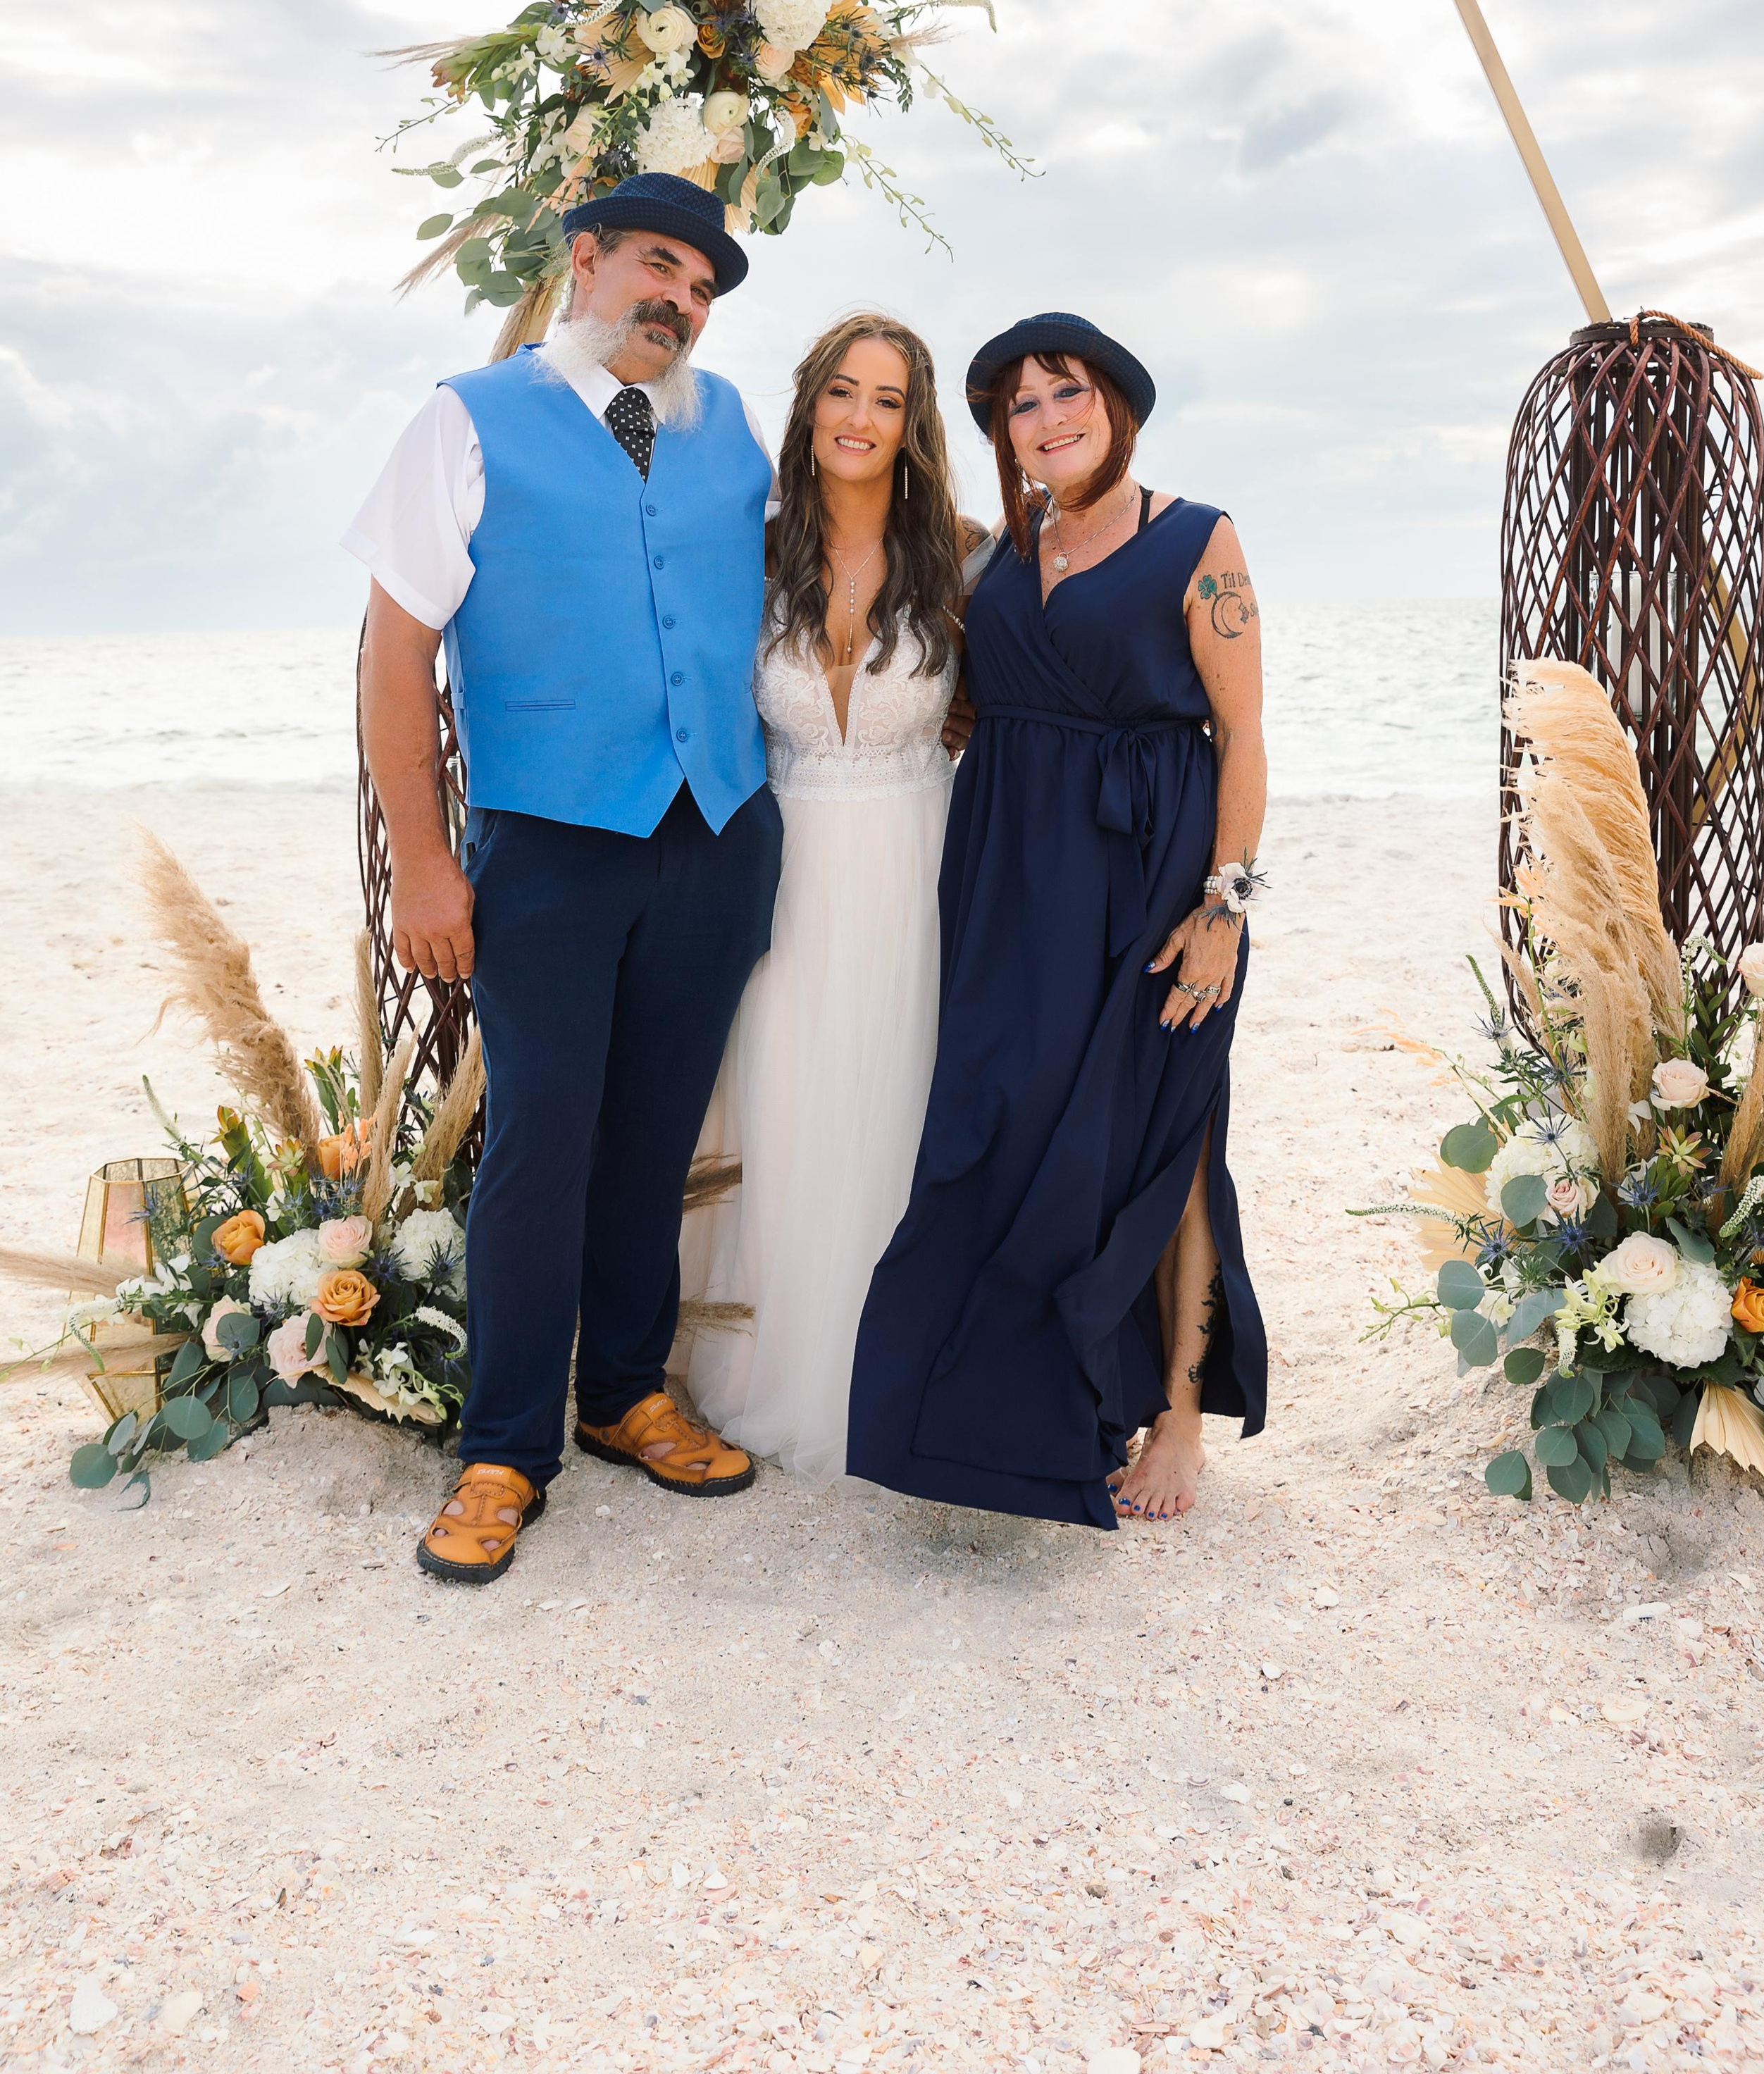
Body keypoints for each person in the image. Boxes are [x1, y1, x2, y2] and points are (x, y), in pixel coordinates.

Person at [344, 174, 783, 1584]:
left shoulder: (730, 436)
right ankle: (502, 1446)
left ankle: (624, 1396)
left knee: (654, 1137)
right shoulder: (465, 423)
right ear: (582, 262)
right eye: (659, 266)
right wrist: (424, 862)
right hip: (546, 843)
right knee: (539, 1145)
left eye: (702, 288)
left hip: (715, 831)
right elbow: (394, 658)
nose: (679, 300)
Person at [847, 311, 1268, 1528]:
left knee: (1166, 1130)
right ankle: (992, 1417)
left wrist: (1224, 911)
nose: (1047, 419)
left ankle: (1180, 1414)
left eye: (1067, 392)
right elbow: (978, 708)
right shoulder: (993, 558)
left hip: (1152, 878)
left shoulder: (1200, 539)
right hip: (1007, 880)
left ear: (1116, 407)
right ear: (1001, 434)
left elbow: (1240, 735)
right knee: (999, 1127)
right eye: (1019, 405)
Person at [679, 314, 988, 1483]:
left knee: (905, 1098)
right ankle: (773, 1371)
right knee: (784, 1096)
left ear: (914, 428)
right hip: (787, 856)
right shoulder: (748, 554)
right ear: (809, 406)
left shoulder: (964, 551)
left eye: (890, 400)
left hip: (920, 854)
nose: (862, 419)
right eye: (843, 393)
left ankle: (904, 1372)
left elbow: (1019, 708)